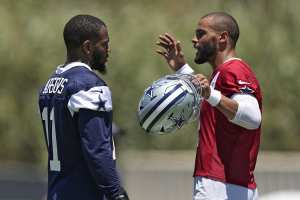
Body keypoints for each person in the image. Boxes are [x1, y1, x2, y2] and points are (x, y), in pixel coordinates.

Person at [156, 12, 262, 200]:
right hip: (225, 185)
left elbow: (253, 118)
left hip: (221, 185)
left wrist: (210, 94)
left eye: (201, 33)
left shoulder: (234, 70)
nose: (194, 40)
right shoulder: (221, 74)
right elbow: (209, 92)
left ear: (222, 38)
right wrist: (181, 67)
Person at [38, 15, 129, 200]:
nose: (108, 50)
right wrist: (116, 193)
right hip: (83, 192)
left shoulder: (50, 84)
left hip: (57, 191)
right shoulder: (88, 84)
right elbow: (96, 148)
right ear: (88, 47)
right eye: (104, 44)